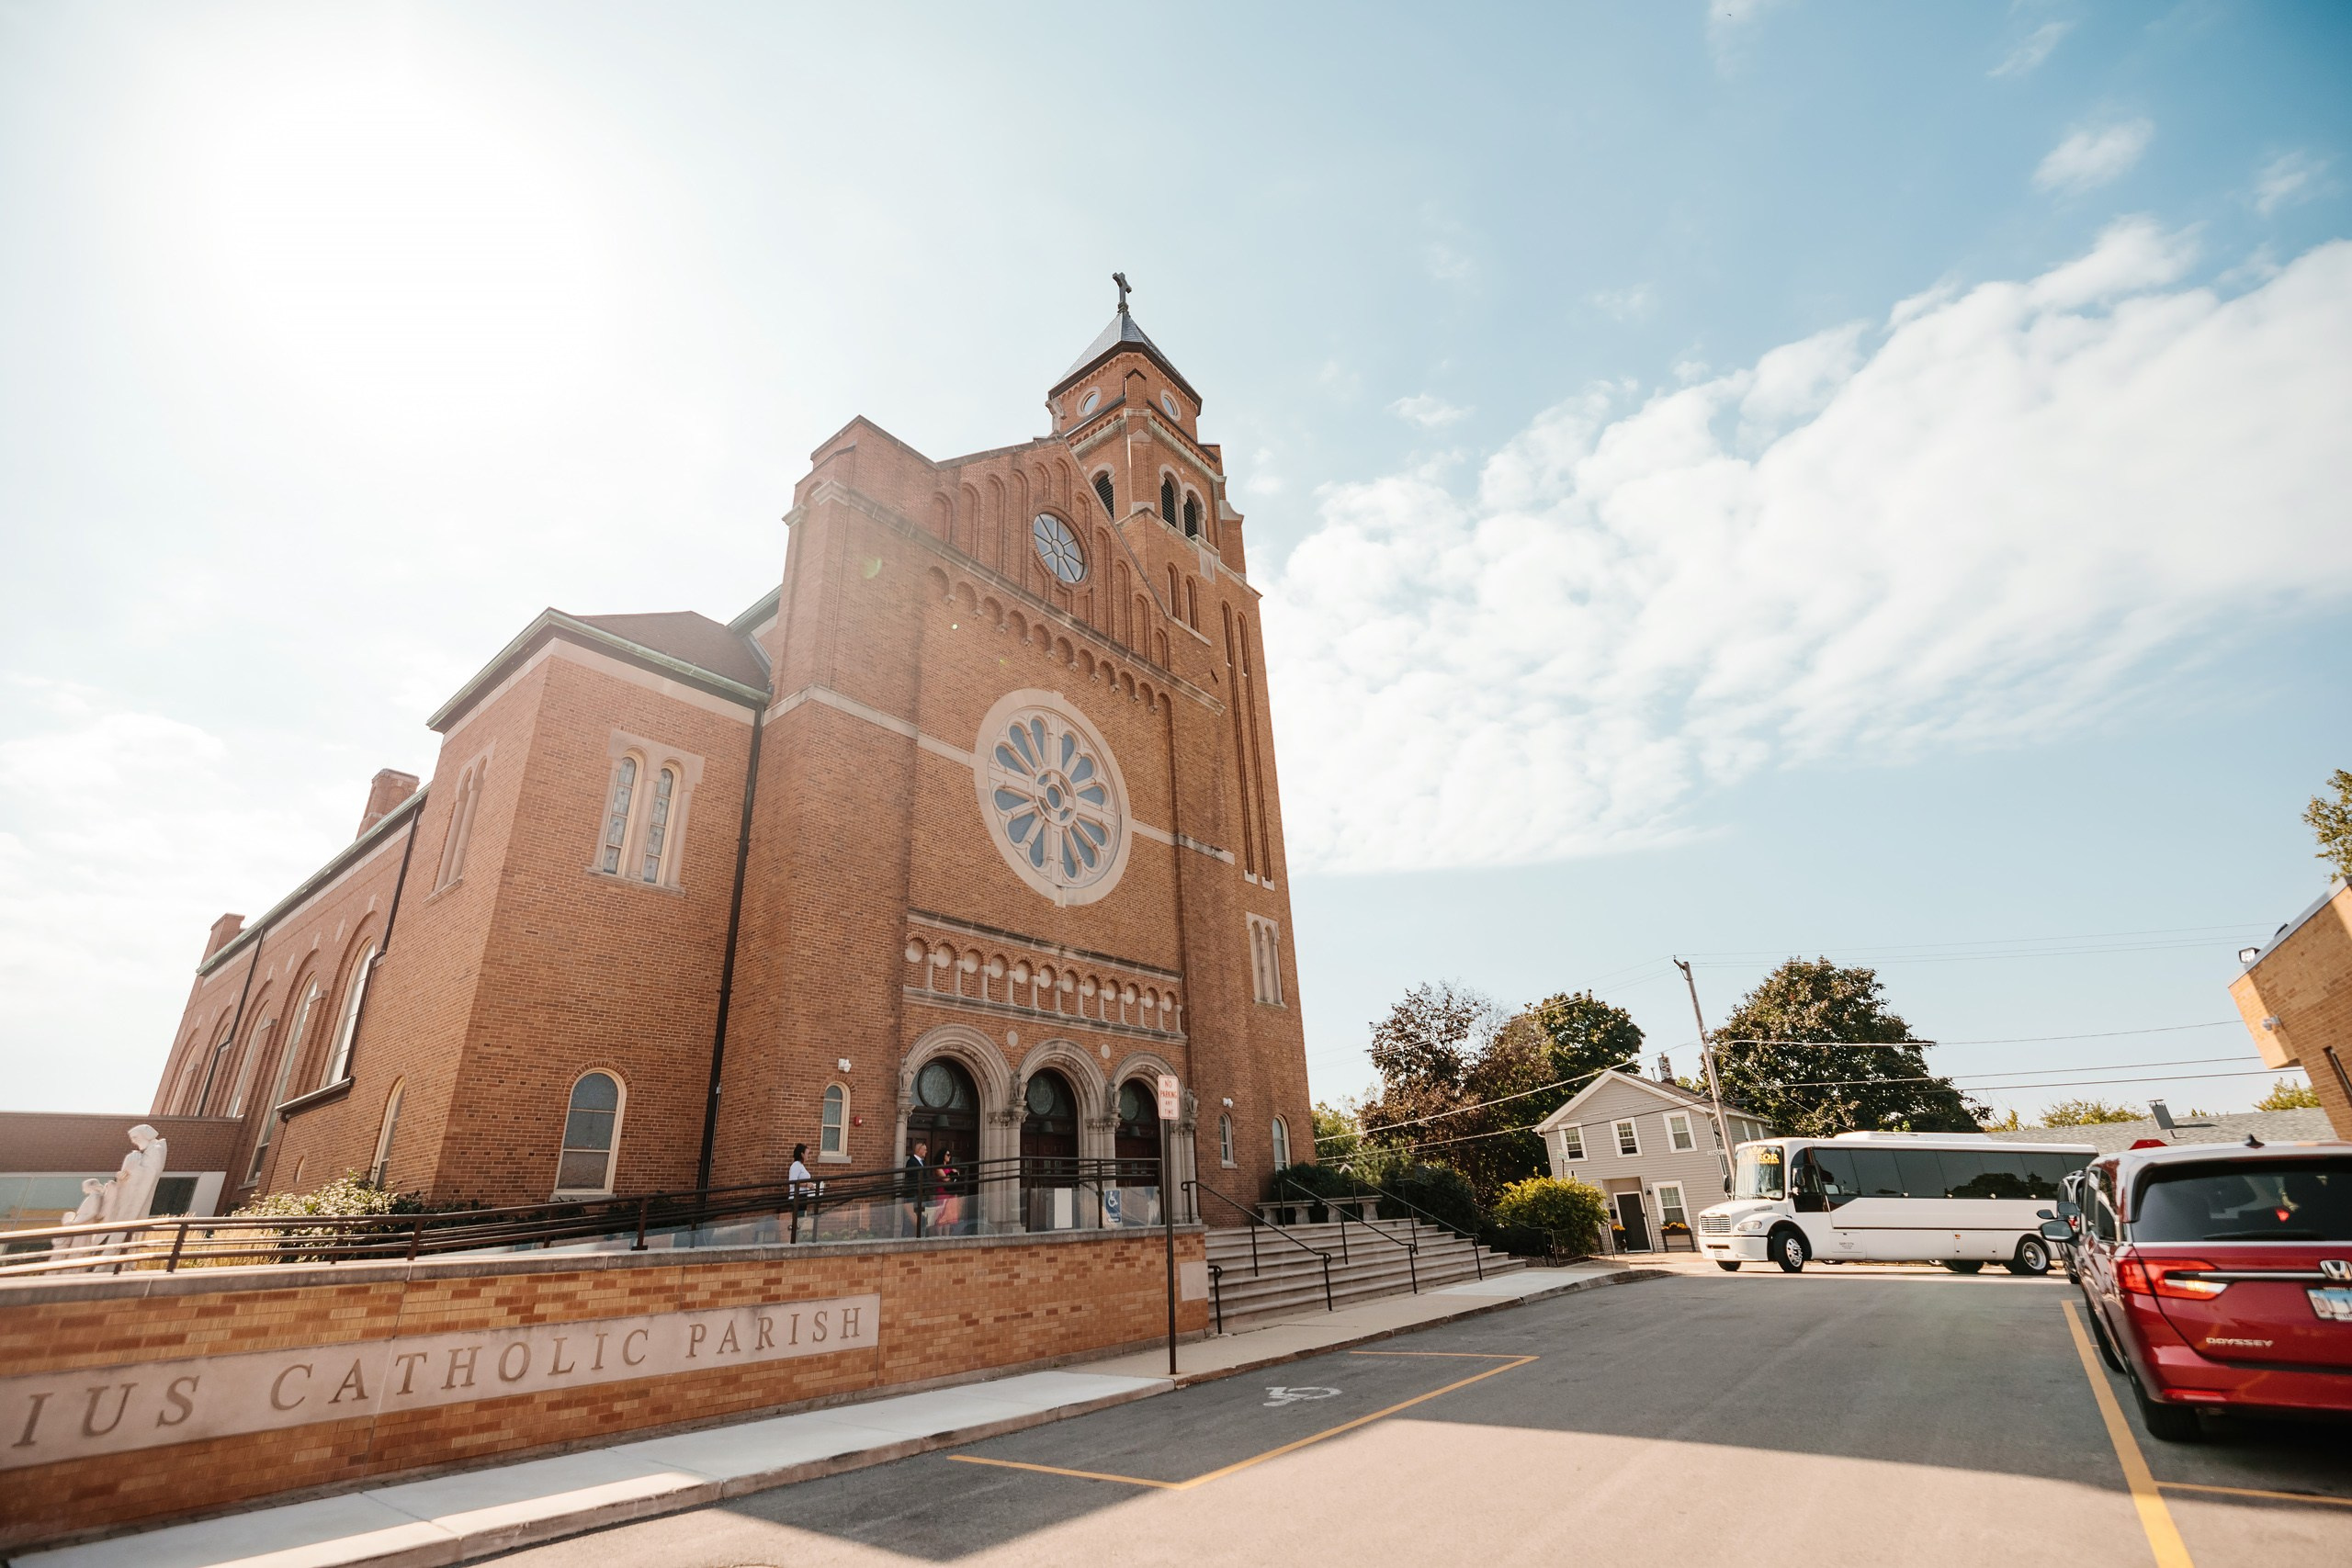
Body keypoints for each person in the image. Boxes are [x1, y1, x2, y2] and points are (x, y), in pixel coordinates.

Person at [787, 1143, 814, 1242]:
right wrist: (807, 1185)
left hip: (802, 1196)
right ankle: (794, 1240)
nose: (808, 1156)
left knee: (801, 1220)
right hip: (797, 1197)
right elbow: (793, 1181)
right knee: (798, 1219)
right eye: (807, 1153)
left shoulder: (801, 1166)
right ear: (802, 1154)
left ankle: (797, 1239)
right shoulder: (796, 1166)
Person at [901, 1140, 929, 1236]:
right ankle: (909, 1236)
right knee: (911, 1220)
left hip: (921, 1194)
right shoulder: (911, 1162)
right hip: (913, 1194)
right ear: (919, 1150)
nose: (926, 1152)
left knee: (920, 1217)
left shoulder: (923, 1163)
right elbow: (914, 1177)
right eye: (924, 1149)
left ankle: (919, 1236)